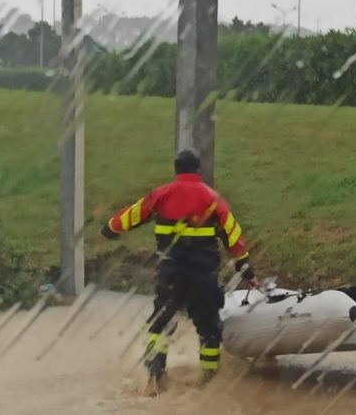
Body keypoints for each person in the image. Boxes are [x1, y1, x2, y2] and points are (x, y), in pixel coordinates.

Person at [100, 149, 258, 388]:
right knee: (208, 327)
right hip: (204, 276)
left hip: (171, 274)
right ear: (198, 170)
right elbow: (233, 236)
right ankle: (209, 382)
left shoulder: (161, 195)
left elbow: (132, 215)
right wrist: (246, 270)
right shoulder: (213, 199)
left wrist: (110, 229)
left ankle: (155, 378)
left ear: (176, 170)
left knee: (160, 324)